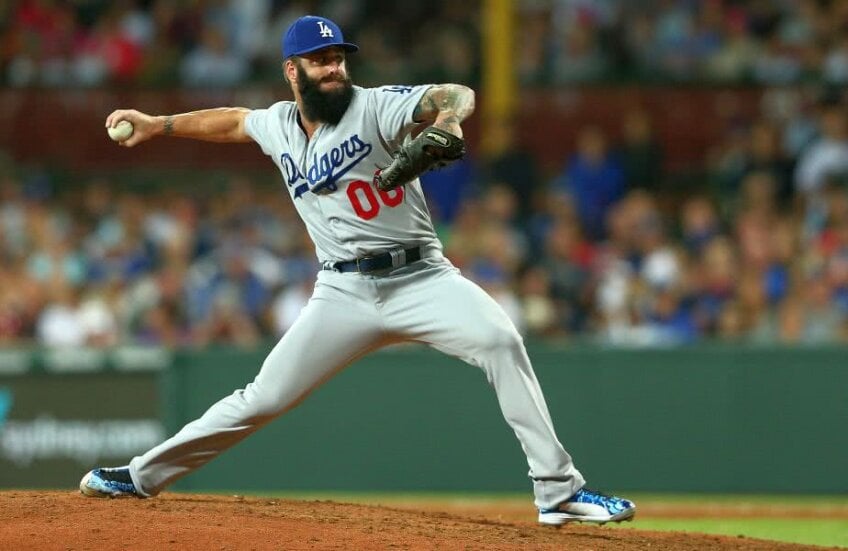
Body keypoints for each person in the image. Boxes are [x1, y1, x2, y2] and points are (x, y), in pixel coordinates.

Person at [79, 15, 635, 526]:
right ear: (292, 70)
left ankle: (557, 492)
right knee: (264, 397)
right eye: (321, 60)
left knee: (500, 340)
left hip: (422, 278)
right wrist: (160, 124)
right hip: (341, 290)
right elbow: (235, 122)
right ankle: (141, 476)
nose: (334, 68)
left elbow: (455, 94)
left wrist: (445, 118)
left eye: (340, 57)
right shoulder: (279, 124)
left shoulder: (374, 107)